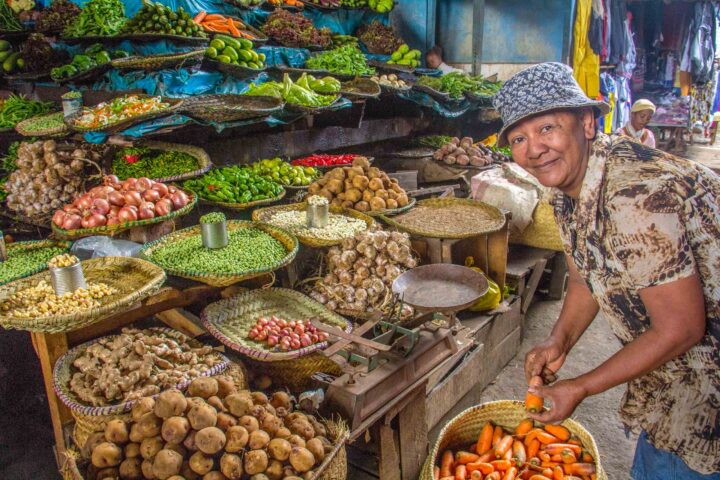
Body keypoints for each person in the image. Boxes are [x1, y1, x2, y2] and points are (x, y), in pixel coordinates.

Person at [493, 62, 719, 479]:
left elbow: (682, 329)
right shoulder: (568, 189)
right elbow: (585, 277)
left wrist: (579, 386)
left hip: (708, 388)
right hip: (674, 381)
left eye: (547, 128)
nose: (533, 149)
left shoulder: (635, 195)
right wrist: (558, 340)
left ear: (586, 123)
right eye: (519, 138)